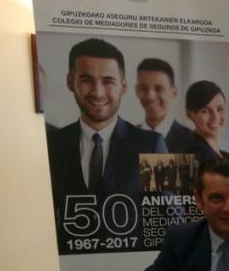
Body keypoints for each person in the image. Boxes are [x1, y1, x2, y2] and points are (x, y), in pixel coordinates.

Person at [46, 38, 167, 250]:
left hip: (135, 266)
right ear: (70, 82)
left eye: (108, 81)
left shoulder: (154, 144)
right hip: (67, 267)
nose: (98, 92)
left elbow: (173, 218)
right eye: (86, 80)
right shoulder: (49, 145)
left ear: (124, 86)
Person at [135, 58, 193, 153]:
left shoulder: (193, 141)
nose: (150, 96)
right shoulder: (125, 140)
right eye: (144, 88)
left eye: (158, 89)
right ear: (137, 91)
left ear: (173, 93)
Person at [184, 80, 229, 162]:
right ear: (189, 114)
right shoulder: (199, 155)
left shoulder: (226, 156)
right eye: (205, 111)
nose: (215, 117)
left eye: (220, 109)